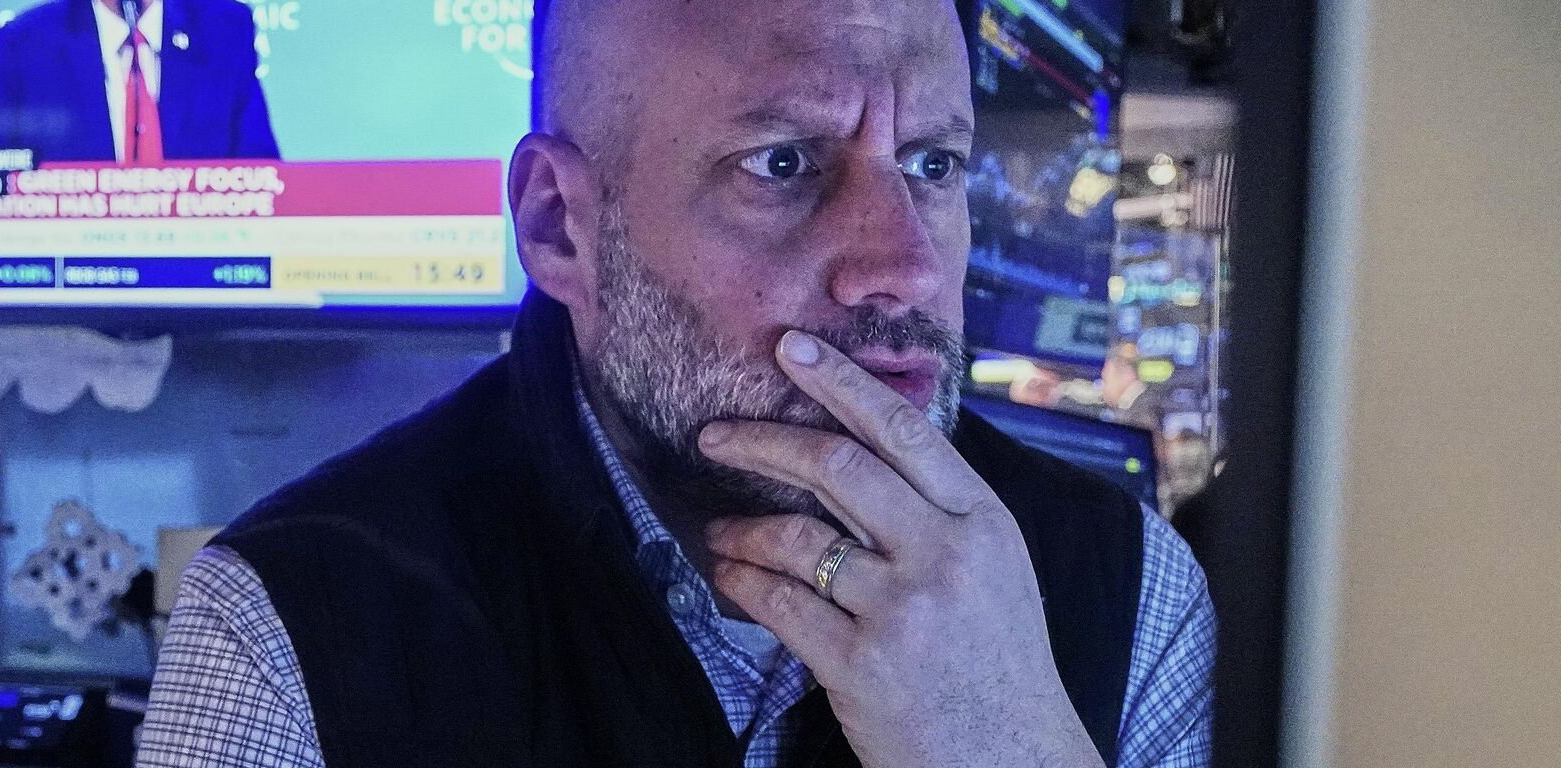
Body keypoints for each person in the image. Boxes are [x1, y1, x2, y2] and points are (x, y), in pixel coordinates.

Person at [137, 0, 1214, 765]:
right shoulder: (295, 624)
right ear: (559, 225)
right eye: (783, 163)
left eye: (932, 164)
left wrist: (1002, 747)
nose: (907, 264)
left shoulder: (1129, 587)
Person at [0, 0, 279, 163]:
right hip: (73, 273)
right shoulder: (26, 44)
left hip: (200, 268)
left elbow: (260, 173)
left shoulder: (224, 30)